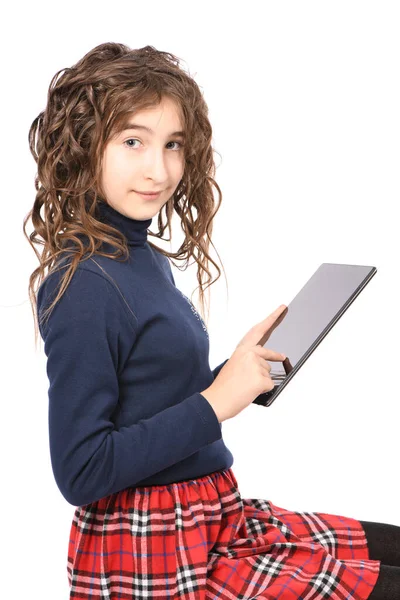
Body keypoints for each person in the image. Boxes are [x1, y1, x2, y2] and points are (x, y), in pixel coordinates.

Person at [24, 42, 400, 599]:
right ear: (83, 148)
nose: (160, 169)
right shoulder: (82, 285)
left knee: (390, 546)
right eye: (134, 142)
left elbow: (155, 401)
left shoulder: (142, 257)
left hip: (212, 514)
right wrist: (220, 399)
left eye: (173, 145)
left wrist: (237, 372)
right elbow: (82, 469)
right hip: (152, 546)